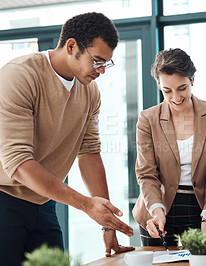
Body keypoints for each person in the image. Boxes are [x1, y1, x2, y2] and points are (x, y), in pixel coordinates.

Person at [0, 12, 134, 265]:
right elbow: (18, 162)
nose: (102, 71)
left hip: (44, 202)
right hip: (5, 199)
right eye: (97, 61)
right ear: (72, 46)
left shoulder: (90, 92)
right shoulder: (19, 76)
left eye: (107, 63)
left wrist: (107, 224)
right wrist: (85, 205)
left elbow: (89, 153)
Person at [132, 48, 206, 246]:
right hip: (158, 209)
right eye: (167, 91)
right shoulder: (148, 119)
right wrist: (157, 211)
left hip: (202, 208)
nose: (175, 97)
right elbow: (146, 173)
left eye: (182, 88)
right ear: (159, 86)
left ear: (193, 79)